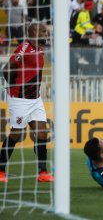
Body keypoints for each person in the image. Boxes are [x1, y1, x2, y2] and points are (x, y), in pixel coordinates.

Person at [0, 23, 54, 183]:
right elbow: (6, 69)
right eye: (44, 31)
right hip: (19, 100)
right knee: (16, 134)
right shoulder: (23, 48)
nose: (46, 34)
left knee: (43, 133)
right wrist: (15, 88)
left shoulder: (40, 48)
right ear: (34, 32)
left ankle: (43, 172)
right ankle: (1, 171)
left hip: (35, 100)